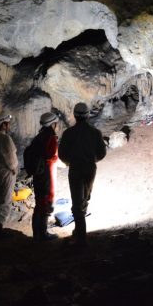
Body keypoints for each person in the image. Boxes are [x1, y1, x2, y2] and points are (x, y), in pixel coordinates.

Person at [58, 103, 106, 247]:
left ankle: (81, 238)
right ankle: (79, 231)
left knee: (77, 201)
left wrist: (70, 162)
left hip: (76, 169)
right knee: (85, 197)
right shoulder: (95, 133)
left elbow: (62, 154)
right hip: (90, 168)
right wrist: (91, 159)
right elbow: (102, 153)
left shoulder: (68, 133)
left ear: (75, 115)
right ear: (87, 115)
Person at [31, 112, 60, 241]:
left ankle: (36, 234)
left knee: (39, 202)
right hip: (46, 173)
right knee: (45, 201)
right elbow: (50, 156)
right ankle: (42, 234)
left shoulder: (39, 136)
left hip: (38, 173)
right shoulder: (50, 137)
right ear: (53, 124)